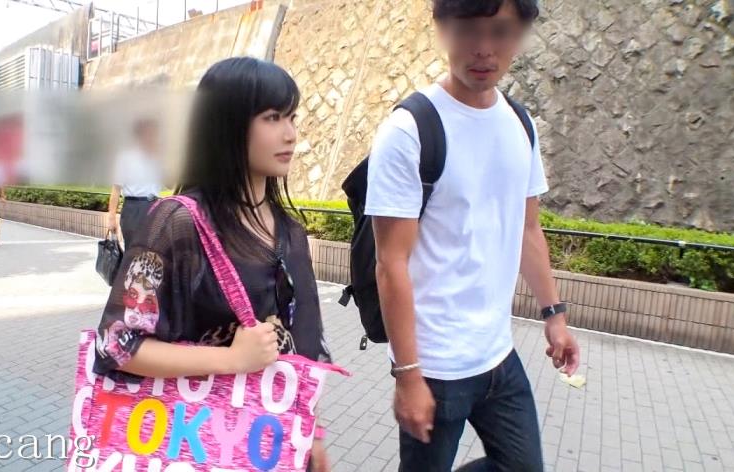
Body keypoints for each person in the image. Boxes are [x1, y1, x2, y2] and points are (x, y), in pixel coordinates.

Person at [364, 1, 580, 470]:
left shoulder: (520, 123)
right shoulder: (409, 131)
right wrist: (408, 375)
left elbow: (527, 228)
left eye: (500, 32)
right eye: (468, 30)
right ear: (443, 29)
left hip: (498, 355)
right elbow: (390, 263)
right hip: (435, 365)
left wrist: (554, 315)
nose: (484, 48)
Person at [93, 57, 333, 471]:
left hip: (276, 444)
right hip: (199, 444)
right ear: (227, 124)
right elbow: (117, 344)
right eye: (273, 118)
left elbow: (306, 346)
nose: (290, 134)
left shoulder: (291, 231)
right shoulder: (176, 223)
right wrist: (232, 360)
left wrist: (313, 434)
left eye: (292, 117)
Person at [107, 118, 164, 251]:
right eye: (147, 133)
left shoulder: (159, 157)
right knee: (133, 250)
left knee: (153, 251)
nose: (151, 137)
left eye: (154, 133)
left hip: (155, 206)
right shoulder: (126, 157)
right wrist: (111, 217)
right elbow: (116, 189)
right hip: (133, 208)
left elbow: (170, 184)